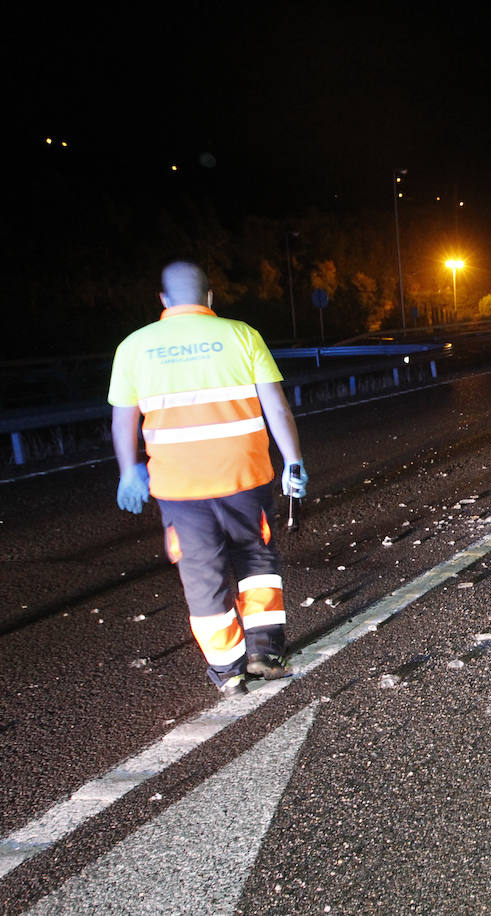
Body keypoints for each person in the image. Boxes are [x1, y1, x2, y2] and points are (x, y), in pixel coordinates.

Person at [109, 260, 308, 698]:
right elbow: (276, 406)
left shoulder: (134, 346)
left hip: (179, 488)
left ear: (163, 299)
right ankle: (265, 654)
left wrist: (128, 470)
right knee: (257, 563)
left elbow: (123, 420)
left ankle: (227, 670)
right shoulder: (241, 335)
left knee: (202, 576)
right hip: (245, 476)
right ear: (211, 297)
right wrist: (292, 459)